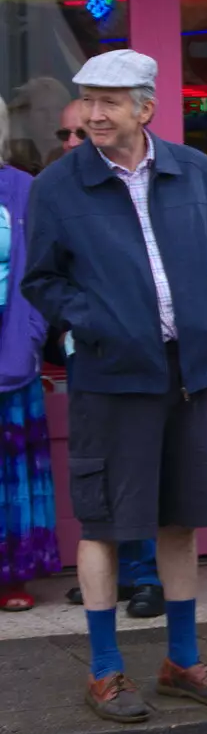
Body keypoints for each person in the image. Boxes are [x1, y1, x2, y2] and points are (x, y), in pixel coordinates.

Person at [23, 49, 207, 723]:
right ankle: (104, 671)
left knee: (180, 518)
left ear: (145, 109)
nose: (93, 113)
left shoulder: (194, 169)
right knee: (103, 524)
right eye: (87, 99)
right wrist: (101, 325)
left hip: (188, 374)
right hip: (109, 376)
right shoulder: (58, 186)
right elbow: (43, 280)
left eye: (109, 101)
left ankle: (181, 658)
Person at [0, 98, 57, 612]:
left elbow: (43, 271)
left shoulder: (24, 188)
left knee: (9, 469)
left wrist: (32, 333)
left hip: (10, 348)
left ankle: (10, 576)